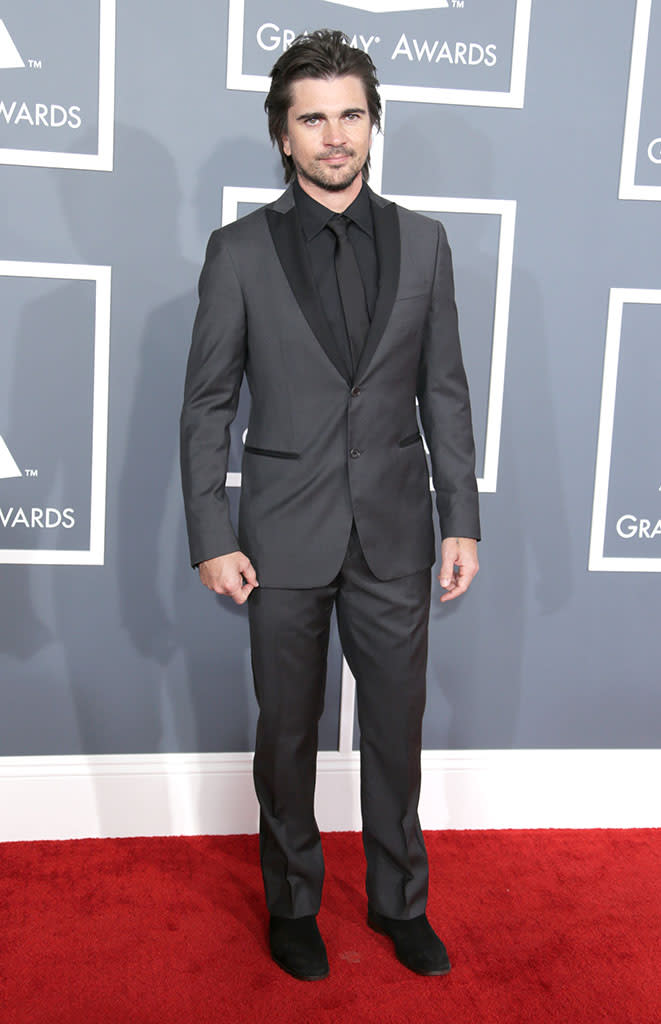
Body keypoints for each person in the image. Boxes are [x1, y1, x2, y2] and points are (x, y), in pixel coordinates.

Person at [180, 29, 480, 981]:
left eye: (350, 114)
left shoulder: (425, 243)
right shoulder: (237, 252)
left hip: (395, 530)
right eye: (313, 118)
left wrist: (460, 517)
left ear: (372, 121)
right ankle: (294, 904)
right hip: (279, 537)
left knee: (397, 730)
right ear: (283, 135)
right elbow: (207, 405)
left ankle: (400, 904)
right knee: (286, 734)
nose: (335, 135)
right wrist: (209, 533)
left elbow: (446, 391)